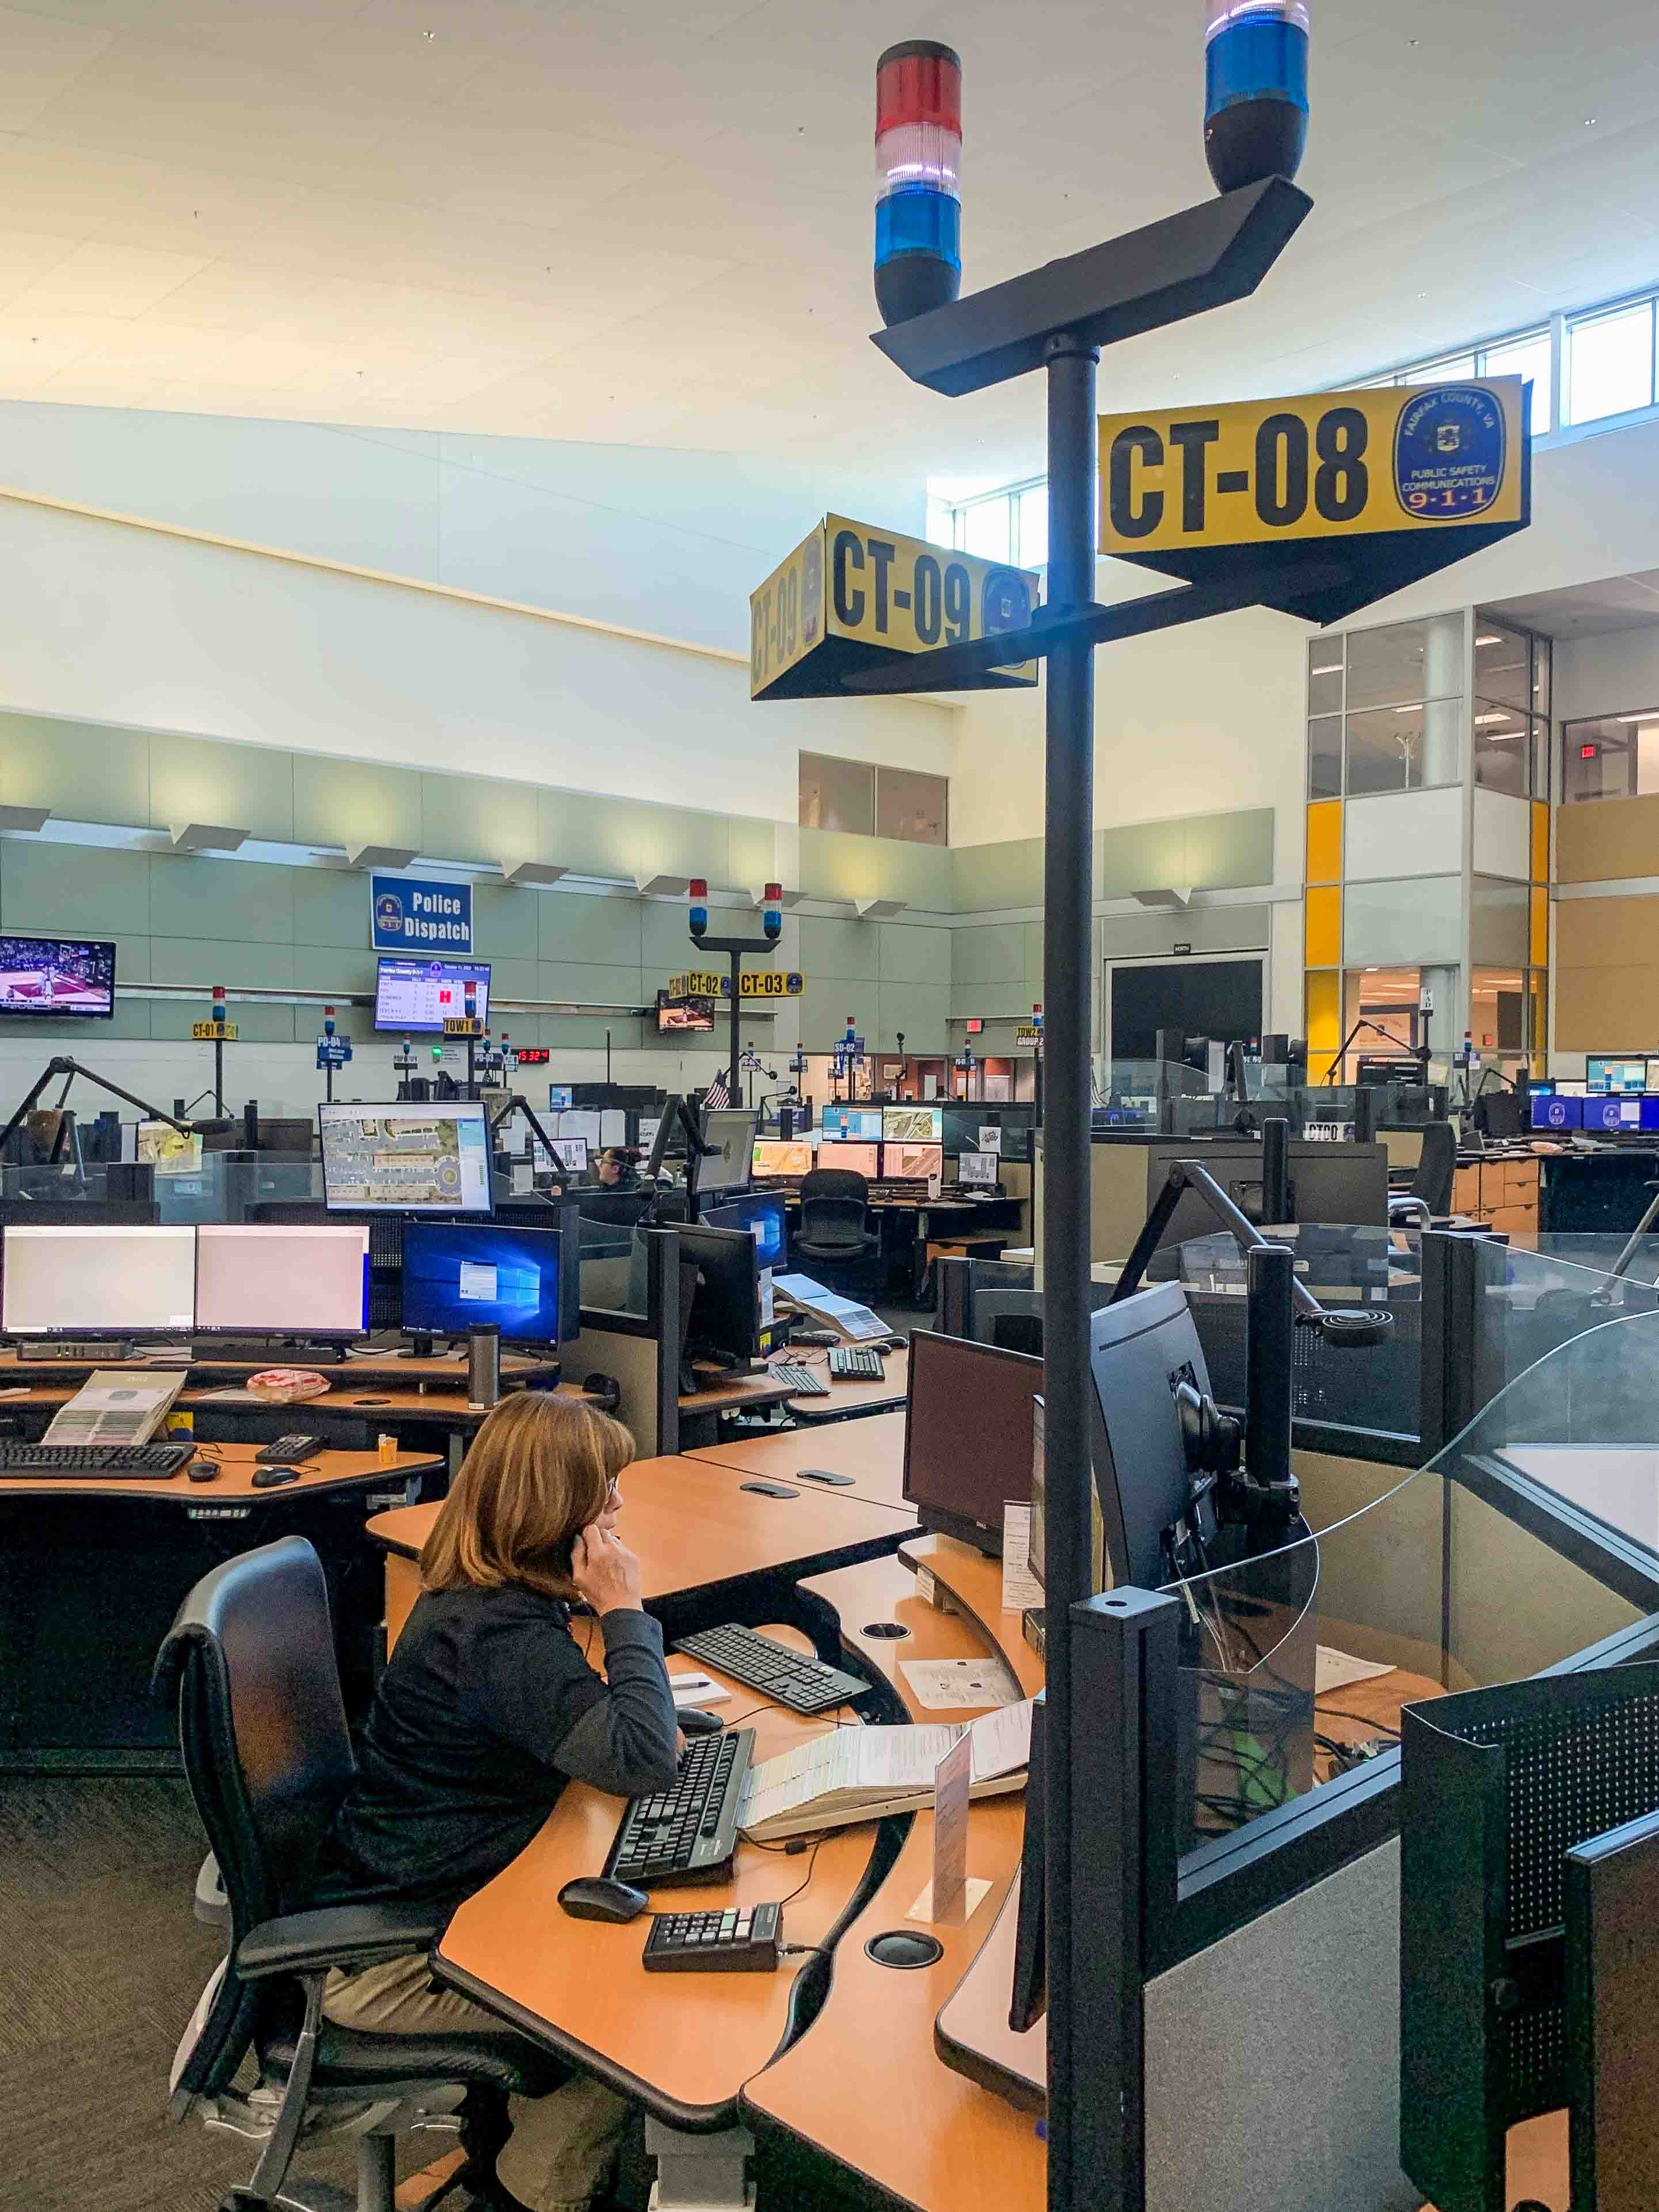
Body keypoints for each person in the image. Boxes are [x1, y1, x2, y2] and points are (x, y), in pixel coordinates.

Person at [310, 1394, 680, 2212]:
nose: (619, 1505)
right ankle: (528, 2197)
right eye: (604, 1488)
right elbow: (645, 1761)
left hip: (437, 1892)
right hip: (391, 1958)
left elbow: (587, 1729)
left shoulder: (480, 1601)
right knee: (626, 2031)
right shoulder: (496, 1639)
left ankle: (500, 2159)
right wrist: (623, 1608)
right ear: (553, 1511)